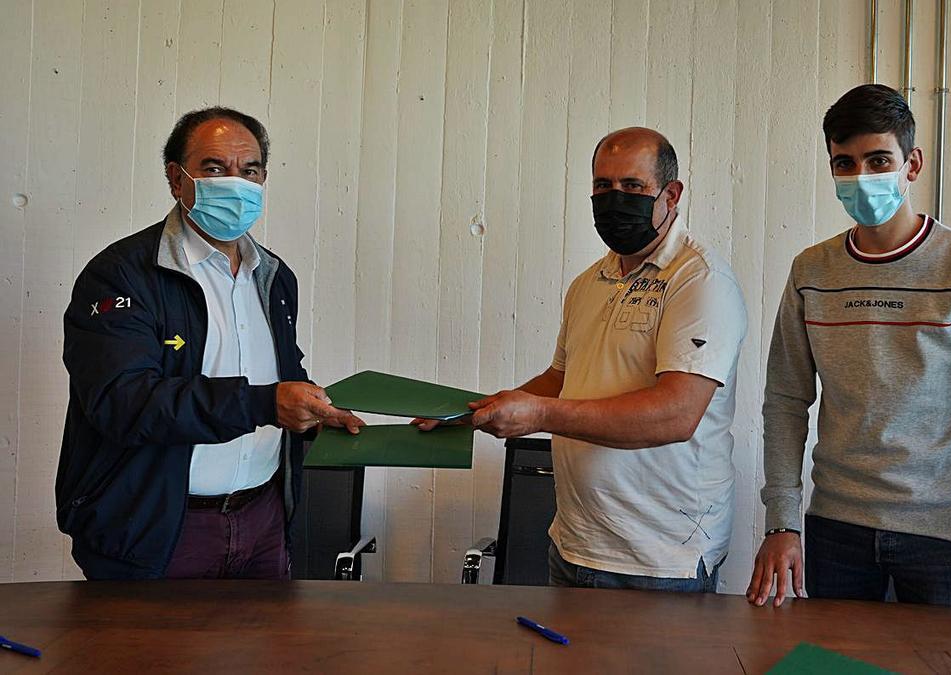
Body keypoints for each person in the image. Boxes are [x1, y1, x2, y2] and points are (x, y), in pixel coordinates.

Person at [747, 84, 951, 655]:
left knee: (944, 668)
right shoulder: (811, 271)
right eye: (844, 164)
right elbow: (785, 402)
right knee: (833, 669)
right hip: (835, 530)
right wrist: (781, 522)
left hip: (941, 535)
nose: (861, 177)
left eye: (879, 161)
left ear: (911, 164)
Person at [422, 127, 747, 592]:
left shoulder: (700, 281)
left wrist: (536, 415)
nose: (615, 200)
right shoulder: (590, 282)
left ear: (671, 194)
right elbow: (561, 379)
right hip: (576, 542)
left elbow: (677, 415)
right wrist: (468, 412)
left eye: (632, 187)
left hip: (660, 556)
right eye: (603, 187)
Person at [57, 106, 363, 580]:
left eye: (250, 170)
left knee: (262, 656)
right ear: (176, 179)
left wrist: (313, 413)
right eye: (215, 168)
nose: (235, 183)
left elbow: (283, 373)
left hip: (263, 520)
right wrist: (265, 404)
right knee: (152, 657)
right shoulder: (120, 275)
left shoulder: (275, 277)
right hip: (158, 529)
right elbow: (122, 401)